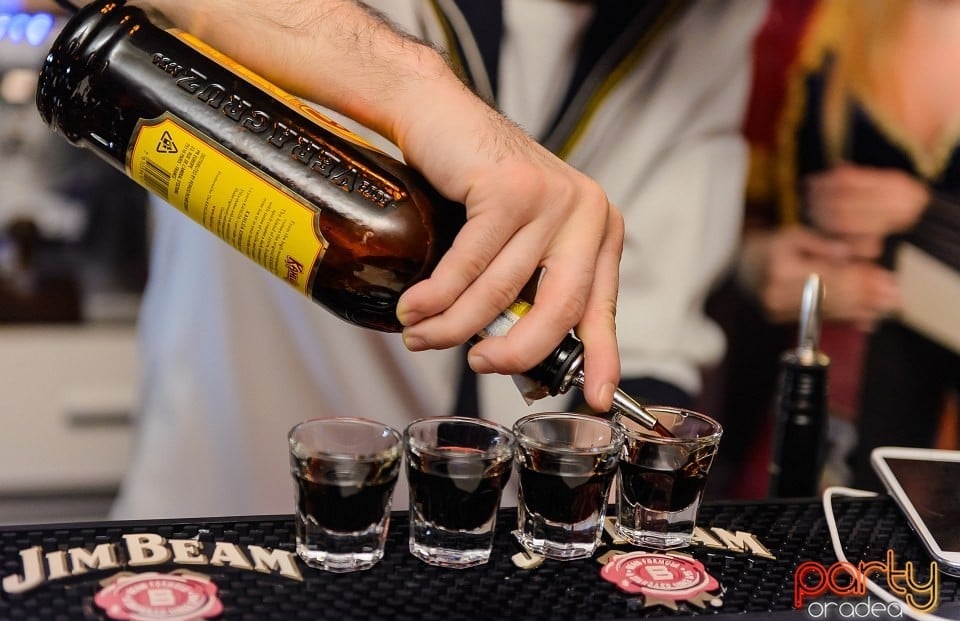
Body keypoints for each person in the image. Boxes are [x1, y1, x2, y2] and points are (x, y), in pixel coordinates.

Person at [109, 0, 766, 519]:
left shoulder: (706, 17)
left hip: (476, 561)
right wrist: (410, 83)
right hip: (227, 517)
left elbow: (652, 307)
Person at [715, 0, 960, 496]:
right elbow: (708, 209)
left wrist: (932, 217)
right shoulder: (803, 20)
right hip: (827, 407)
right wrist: (758, 264)